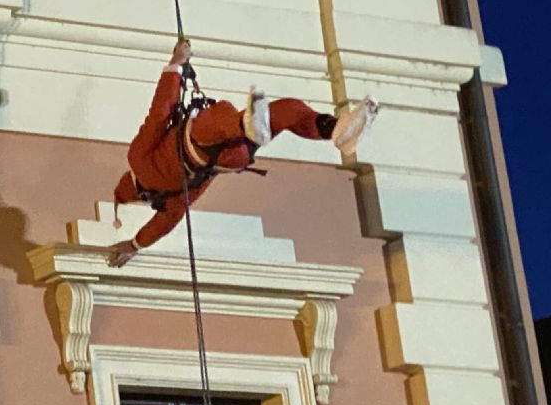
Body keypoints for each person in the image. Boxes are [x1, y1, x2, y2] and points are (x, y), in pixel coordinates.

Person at [103, 40, 376, 266]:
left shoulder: (171, 203)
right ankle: (329, 129)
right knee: (285, 111)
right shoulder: (138, 159)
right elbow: (160, 113)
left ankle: (333, 131)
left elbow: (159, 228)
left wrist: (134, 245)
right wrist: (175, 64)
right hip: (203, 137)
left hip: (234, 158)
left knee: (281, 113)